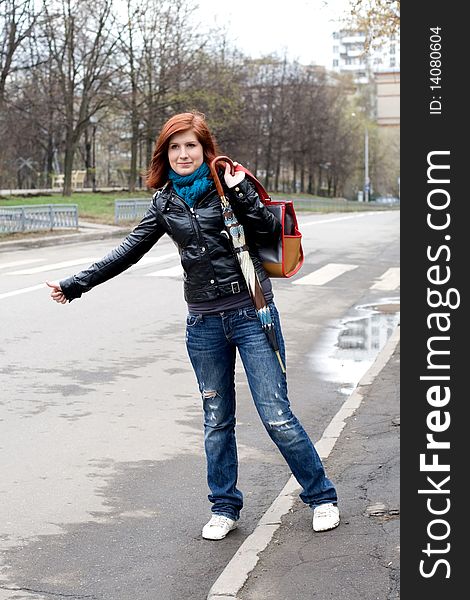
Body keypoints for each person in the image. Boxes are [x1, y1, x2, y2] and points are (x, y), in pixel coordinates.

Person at [47, 111, 340, 540]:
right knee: (217, 419)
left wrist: (243, 193)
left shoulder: (228, 184)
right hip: (203, 323)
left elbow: (267, 229)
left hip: (251, 314)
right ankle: (224, 507)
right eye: (175, 147)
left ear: (205, 149)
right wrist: (76, 284)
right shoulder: (165, 203)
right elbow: (129, 251)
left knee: (276, 417)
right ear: (165, 155)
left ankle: (321, 496)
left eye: (191, 146)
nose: (183, 154)